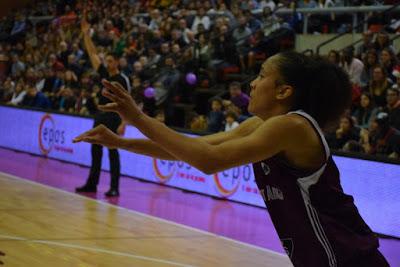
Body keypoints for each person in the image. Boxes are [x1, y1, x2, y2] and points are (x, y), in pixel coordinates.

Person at [74, 52, 389, 267]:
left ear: (283, 92)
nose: (252, 82)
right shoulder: (264, 126)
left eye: (262, 75)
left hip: (349, 260)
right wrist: (119, 142)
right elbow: (192, 147)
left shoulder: (292, 127)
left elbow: (209, 160)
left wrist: (138, 117)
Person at [75, 13, 130, 197]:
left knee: (113, 153)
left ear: (117, 62)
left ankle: (115, 187)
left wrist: (124, 123)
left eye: (111, 60)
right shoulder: (104, 72)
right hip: (100, 115)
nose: (107, 62)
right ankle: (92, 184)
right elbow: (92, 53)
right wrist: (86, 34)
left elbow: (127, 104)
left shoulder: (122, 79)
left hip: (114, 117)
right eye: (107, 60)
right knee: (95, 150)